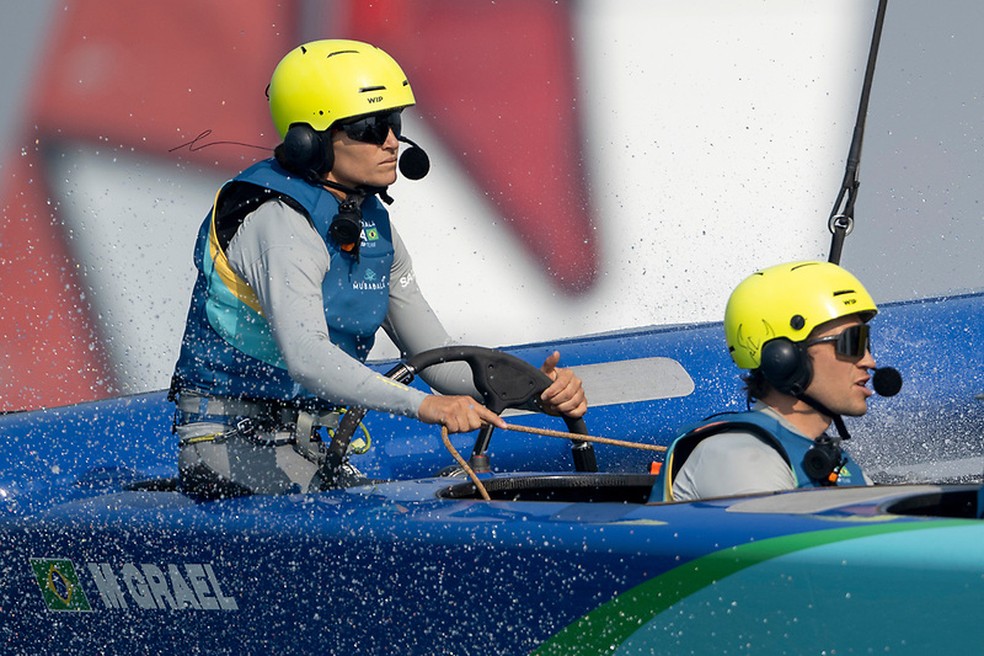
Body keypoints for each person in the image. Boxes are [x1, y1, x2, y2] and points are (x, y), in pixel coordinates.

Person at [169, 39, 586, 497]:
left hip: (309, 447)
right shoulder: (279, 222)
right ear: (310, 141)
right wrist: (426, 407)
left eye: (393, 122)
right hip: (228, 444)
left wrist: (537, 392)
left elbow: (440, 359)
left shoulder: (372, 225)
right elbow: (307, 358)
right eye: (369, 127)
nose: (391, 142)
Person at [653, 260, 878, 502]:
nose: (869, 361)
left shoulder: (842, 466)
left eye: (866, 343)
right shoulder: (738, 455)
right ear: (784, 357)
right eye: (852, 343)